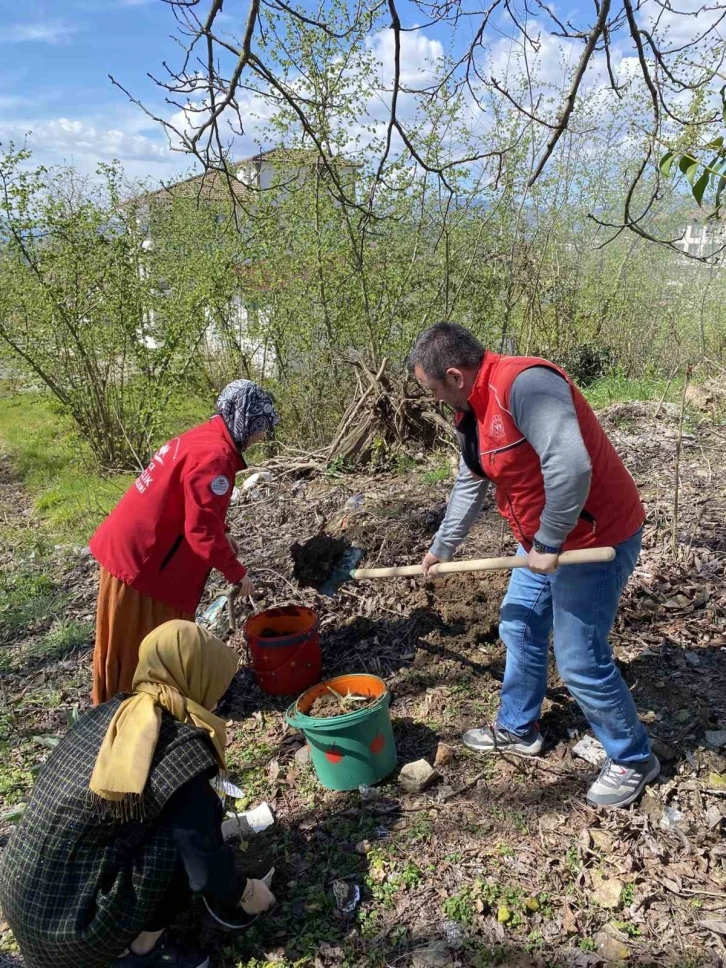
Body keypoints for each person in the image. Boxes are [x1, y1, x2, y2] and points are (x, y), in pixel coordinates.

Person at [409, 323, 660, 808]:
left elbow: (571, 465)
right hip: (544, 539)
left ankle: (633, 758)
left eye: (432, 389)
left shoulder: (526, 385)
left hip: (593, 537)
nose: (433, 398)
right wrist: (442, 547)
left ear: (455, 375)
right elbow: (471, 481)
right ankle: (519, 728)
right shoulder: (473, 412)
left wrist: (547, 542)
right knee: (520, 624)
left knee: (580, 658)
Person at [0, 620, 276, 968]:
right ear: (197, 678)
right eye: (217, 684)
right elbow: (203, 869)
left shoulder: (113, 712)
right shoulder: (181, 748)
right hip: (72, 935)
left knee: (186, 814)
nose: (219, 697)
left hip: (25, 900)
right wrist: (246, 892)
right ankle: (142, 951)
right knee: (181, 837)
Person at [89, 379, 280, 705]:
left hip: (134, 550)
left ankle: (151, 702)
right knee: (142, 644)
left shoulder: (204, 438)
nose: (261, 436)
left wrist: (225, 531)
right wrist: (238, 574)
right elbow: (200, 532)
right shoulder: (217, 456)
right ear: (245, 420)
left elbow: (195, 504)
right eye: (260, 428)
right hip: (144, 565)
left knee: (141, 643)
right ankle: (124, 713)